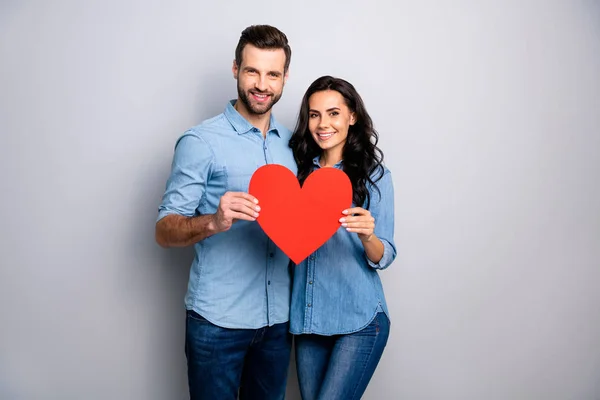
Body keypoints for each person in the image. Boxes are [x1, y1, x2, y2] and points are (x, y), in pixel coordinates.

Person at [155, 25, 296, 400]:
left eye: (272, 74)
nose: (262, 84)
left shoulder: (292, 147)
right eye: (252, 71)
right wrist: (214, 222)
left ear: (285, 78)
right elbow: (164, 230)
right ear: (236, 69)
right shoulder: (201, 141)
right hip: (217, 324)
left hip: (278, 323)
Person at [289, 75, 397, 400]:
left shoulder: (375, 176)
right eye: (314, 114)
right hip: (308, 322)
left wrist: (368, 235)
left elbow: (385, 254)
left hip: (359, 319)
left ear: (352, 117)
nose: (324, 124)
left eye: (334, 113)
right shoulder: (296, 173)